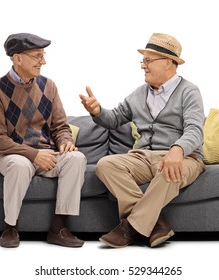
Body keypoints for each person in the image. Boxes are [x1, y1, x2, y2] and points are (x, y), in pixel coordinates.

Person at [80, 33, 205, 248]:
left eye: (148, 61)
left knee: (169, 170)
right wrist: (98, 111)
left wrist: (177, 150)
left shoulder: (189, 91)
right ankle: (156, 224)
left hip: (182, 158)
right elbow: (114, 119)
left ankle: (128, 229)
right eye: (143, 61)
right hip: (143, 158)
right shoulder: (139, 94)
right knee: (105, 164)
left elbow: (195, 129)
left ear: (168, 63)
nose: (143, 66)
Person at [0, 33, 86, 248]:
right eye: (37, 56)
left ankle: (59, 228)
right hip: (11, 155)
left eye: (43, 55)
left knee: (76, 158)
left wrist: (65, 141)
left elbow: (60, 126)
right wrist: (33, 154)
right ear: (17, 58)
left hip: (46, 154)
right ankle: (10, 227)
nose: (44, 61)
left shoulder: (49, 86)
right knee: (20, 165)